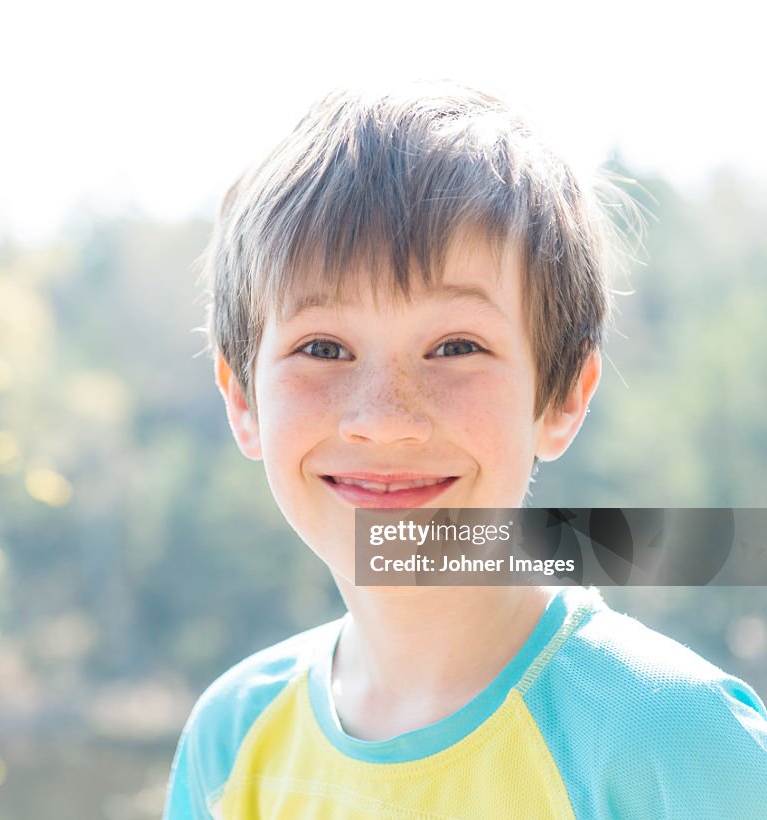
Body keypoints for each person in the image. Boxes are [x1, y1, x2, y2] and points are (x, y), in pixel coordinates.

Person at [163, 83, 767, 818]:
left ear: (565, 394)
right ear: (241, 397)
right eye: (323, 347)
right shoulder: (230, 744)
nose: (384, 421)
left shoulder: (673, 742)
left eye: (456, 346)